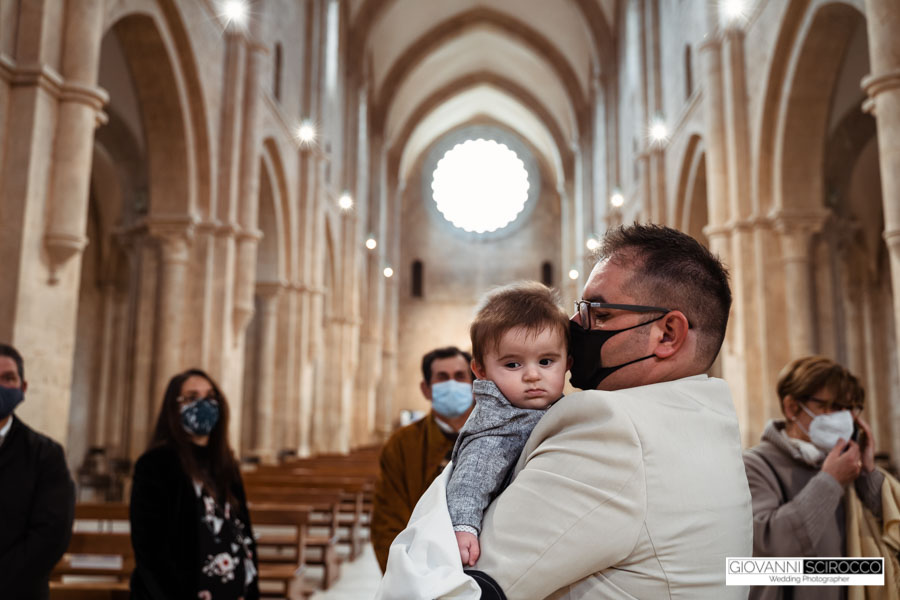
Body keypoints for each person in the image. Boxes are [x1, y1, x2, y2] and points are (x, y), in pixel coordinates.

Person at [465, 224, 753, 599]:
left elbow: (465, 587)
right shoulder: (707, 415)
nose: (572, 328)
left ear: (667, 334)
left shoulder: (613, 429)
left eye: (598, 314)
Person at [743, 356, 897, 600]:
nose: (844, 417)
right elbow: (772, 549)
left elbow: (887, 537)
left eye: (850, 408)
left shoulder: (846, 465)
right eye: (833, 406)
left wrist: (867, 475)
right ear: (792, 407)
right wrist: (830, 481)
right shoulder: (755, 464)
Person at [448, 281, 570, 567]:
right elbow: (471, 478)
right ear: (481, 370)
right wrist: (463, 526)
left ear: (568, 362)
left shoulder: (549, 408)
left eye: (546, 361)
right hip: (496, 548)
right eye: (513, 365)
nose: (532, 375)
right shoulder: (500, 424)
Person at [129, 368, 259, 599]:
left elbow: (243, 530)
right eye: (191, 397)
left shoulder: (225, 463)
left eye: (210, 397)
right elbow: (151, 550)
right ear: (174, 407)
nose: (204, 404)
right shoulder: (156, 464)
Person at [371, 346, 475, 571]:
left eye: (460, 376)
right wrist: (406, 578)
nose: (452, 384)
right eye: (442, 378)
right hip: (418, 570)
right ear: (426, 389)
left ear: (474, 384)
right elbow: (387, 523)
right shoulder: (402, 444)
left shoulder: (497, 436)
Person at [0, 343, 75, 600]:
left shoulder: (46, 454)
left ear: (23, 388)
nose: (0, 386)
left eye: (8, 378)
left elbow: (51, 534)